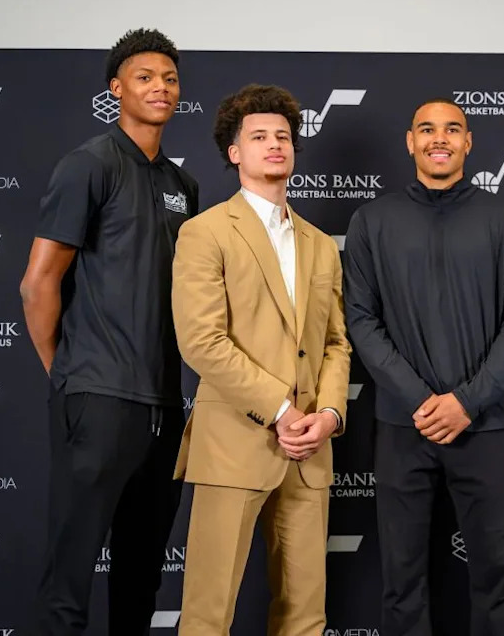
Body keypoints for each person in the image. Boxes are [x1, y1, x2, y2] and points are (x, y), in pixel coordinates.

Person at [19, 28, 197, 636]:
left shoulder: (183, 186)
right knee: (70, 578)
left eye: (170, 79)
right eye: (146, 77)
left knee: (140, 579)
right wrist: (67, 373)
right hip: (96, 398)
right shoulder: (88, 165)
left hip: (165, 407)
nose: (161, 87)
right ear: (116, 88)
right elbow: (37, 284)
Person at [342, 98, 504, 636]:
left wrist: (465, 402)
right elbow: (360, 320)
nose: (439, 138)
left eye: (452, 129)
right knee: (401, 580)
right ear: (410, 141)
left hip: (488, 426)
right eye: (427, 129)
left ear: (468, 142)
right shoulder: (372, 221)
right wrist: (422, 401)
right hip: (403, 427)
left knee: (499, 578)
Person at [171, 84, 351, 636]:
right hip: (233, 444)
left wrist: (329, 416)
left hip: (310, 450)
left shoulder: (321, 243)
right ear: (234, 152)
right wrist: (279, 409)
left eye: (282, 136)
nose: (274, 144)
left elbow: (335, 344)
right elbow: (202, 340)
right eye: (259, 136)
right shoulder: (203, 233)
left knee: (305, 616)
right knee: (208, 613)